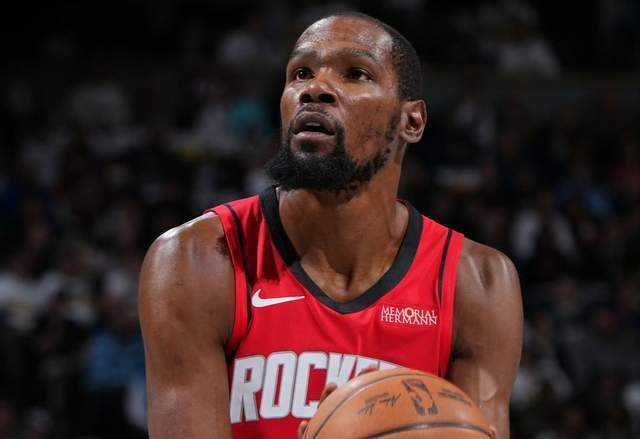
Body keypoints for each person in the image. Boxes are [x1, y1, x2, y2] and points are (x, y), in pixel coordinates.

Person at [139, 12, 523, 439]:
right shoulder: (198, 261)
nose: (314, 88)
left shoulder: (477, 284)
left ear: (410, 122)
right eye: (300, 73)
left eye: (355, 73)